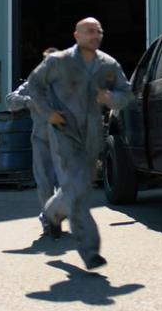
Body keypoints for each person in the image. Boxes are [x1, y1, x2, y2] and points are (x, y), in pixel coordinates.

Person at [26, 18, 133, 270]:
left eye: (99, 32)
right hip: (64, 130)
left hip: (93, 131)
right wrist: (47, 113)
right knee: (78, 187)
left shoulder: (108, 64)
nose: (95, 35)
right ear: (76, 35)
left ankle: (51, 213)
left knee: (80, 183)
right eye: (89, 31)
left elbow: (126, 93)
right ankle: (89, 250)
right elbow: (34, 85)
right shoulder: (57, 61)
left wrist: (111, 98)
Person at [6, 47, 60, 238]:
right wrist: (29, 101)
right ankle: (49, 219)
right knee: (44, 181)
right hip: (41, 139)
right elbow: (10, 100)